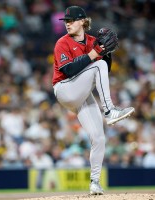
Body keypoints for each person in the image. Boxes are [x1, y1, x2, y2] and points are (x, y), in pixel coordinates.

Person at [52, 6, 134, 195]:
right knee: (96, 65)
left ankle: (94, 183)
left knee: (98, 138)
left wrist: (106, 52)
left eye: (71, 20)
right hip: (64, 89)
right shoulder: (62, 43)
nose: (67, 23)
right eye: (66, 21)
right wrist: (95, 54)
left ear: (82, 21)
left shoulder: (92, 42)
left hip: (81, 95)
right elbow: (69, 71)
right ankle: (109, 110)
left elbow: (105, 68)